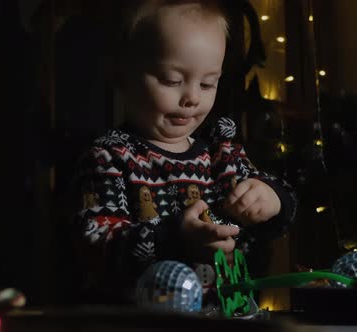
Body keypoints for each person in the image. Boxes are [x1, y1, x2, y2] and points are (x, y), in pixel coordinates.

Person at [71, 0, 297, 303]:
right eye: (171, 80)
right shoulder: (110, 158)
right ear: (122, 76)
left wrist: (272, 199)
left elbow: (280, 210)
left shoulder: (222, 155)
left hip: (227, 316)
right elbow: (96, 245)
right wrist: (175, 238)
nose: (191, 97)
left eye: (207, 84)